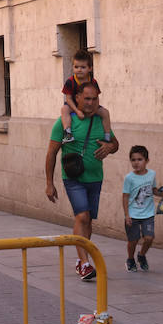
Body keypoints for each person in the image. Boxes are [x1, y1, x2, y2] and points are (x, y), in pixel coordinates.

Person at [44, 82, 119, 280]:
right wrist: (49, 183)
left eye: (95, 99)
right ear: (77, 98)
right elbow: (52, 152)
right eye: (87, 98)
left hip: (95, 178)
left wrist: (109, 147)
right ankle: (85, 264)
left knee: (89, 221)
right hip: (73, 178)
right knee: (82, 217)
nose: (91, 103)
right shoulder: (64, 121)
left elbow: (115, 143)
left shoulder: (101, 121)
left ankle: (80, 258)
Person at [123, 145, 163, 272]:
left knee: (149, 238)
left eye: (140, 159)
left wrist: (162, 194)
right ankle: (130, 259)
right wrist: (127, 215)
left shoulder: (152, 174)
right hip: (133, 215)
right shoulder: (129, 178)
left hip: (148, 214)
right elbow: (125, 197)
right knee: (133, 240)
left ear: (147, 161)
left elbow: (152, 190)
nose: (136, 163)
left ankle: (141, 255)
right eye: (133, 160)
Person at [60, 49, 112, 144]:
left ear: (90, 68)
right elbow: (68, 98)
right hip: (74, 106)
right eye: (76, 67)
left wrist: (94, 110)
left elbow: (96, 98)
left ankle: (107, 136)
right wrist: (77, 111)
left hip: (90, 106)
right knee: (64, 109)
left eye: (83, 67)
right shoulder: (70, 81)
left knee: (105, 112)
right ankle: (68, 133)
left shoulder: (93, 82)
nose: (79, 69)